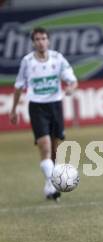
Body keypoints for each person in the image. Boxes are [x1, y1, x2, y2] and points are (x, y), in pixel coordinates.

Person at [9, 27, 78, 201]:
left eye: (44, 38)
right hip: (37, 107)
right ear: (33, 42)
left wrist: (70, 88)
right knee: (45, 147)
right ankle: (53, 184)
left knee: (55, 151)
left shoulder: (57, 58)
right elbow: (18, 86)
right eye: (37, 39)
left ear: (48, 41)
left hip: (55, 106)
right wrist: (14, 109)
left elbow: (72, 80)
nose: (41, 42)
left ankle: (49, 186)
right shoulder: (27, 62)